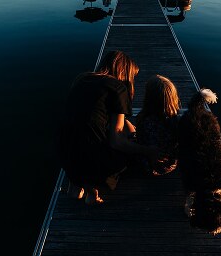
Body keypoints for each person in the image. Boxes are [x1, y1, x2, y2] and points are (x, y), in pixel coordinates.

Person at [59, 50, 159, 205]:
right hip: (94, 162)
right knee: (131, 157)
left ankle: (76, 186)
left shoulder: (82, 79)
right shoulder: (118, 88)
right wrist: (147, 150)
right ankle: (92, 191)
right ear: (124, 72)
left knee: (84, 134)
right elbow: (116, 141)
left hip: (65, 155)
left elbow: (93, 116)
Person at [135, 75, 180, 176]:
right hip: (170, 166)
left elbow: (140, 140)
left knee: (123, 127)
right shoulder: (175, 120)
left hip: (148, 166)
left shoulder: (144, 120)